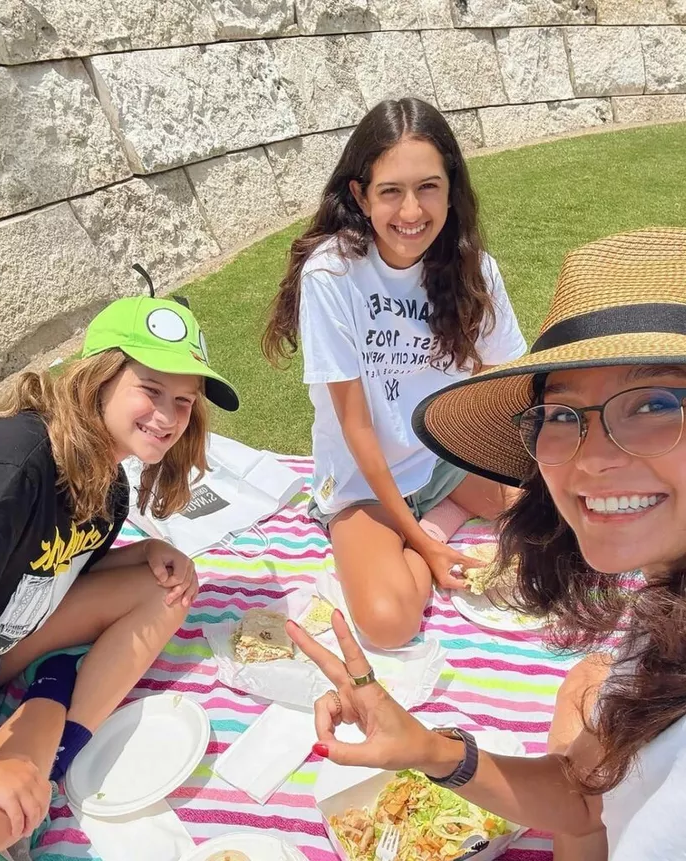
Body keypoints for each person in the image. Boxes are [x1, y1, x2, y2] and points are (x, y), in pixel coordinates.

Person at [287, 228, 686, 861]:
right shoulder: (662, 622)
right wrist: (428, 750)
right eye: (562, 414)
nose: (592, 460)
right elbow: (585, 802)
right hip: (374, 489)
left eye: (654, 405)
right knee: (586, 685)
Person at [263, 98, 526, 649]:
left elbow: (505, 387)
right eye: (390, 191)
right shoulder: (332, 274)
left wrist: (520, 485)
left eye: (428, 187)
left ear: (451, 188)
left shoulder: (475, 269)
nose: (411, 211)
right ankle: (420, 535)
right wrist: (421, 546)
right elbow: (357, 427)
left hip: (449, 461)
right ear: (361, 196)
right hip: (364, 485)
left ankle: (440, 515)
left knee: (558, 517)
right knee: (388, 624)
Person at [0, 295, 239, 859]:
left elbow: (51, 570)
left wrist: (146, 550)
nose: (169, 417)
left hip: (2, 649)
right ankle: (50, 698)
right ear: (98, 379)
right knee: (2, 819)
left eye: (184, 400)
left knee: (168, 588)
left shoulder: (111, 487)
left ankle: (59, 747)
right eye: (151, 389)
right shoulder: (14, 463)